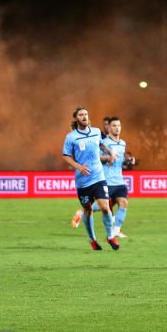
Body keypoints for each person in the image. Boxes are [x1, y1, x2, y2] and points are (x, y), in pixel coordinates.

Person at [62, 107, 119, 250]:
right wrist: (78, 167)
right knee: (87, 210)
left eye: (86, 114)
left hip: (98, 176)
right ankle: (92, 239)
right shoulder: (71, 137)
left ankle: (110, 236)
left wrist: (110, 153)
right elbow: (66, 156)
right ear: (76, 118)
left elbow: (101, 144)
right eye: (81, 115)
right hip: (83, 181)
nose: (84, 116)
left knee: (105, 207)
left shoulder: (95, 132)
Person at [101, 116, 130, 238]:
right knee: (103, 206)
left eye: (118, 125)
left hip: (119, 180)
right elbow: (97, 158)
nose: (117, 128)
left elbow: (120, 160)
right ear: (109, 127)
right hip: (107, 181)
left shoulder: (123, 143)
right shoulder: (104, 143)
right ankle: (82, 212)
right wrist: (108, 158)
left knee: (123, 202)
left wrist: (128, 160)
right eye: (114, 126)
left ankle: (116, 231)